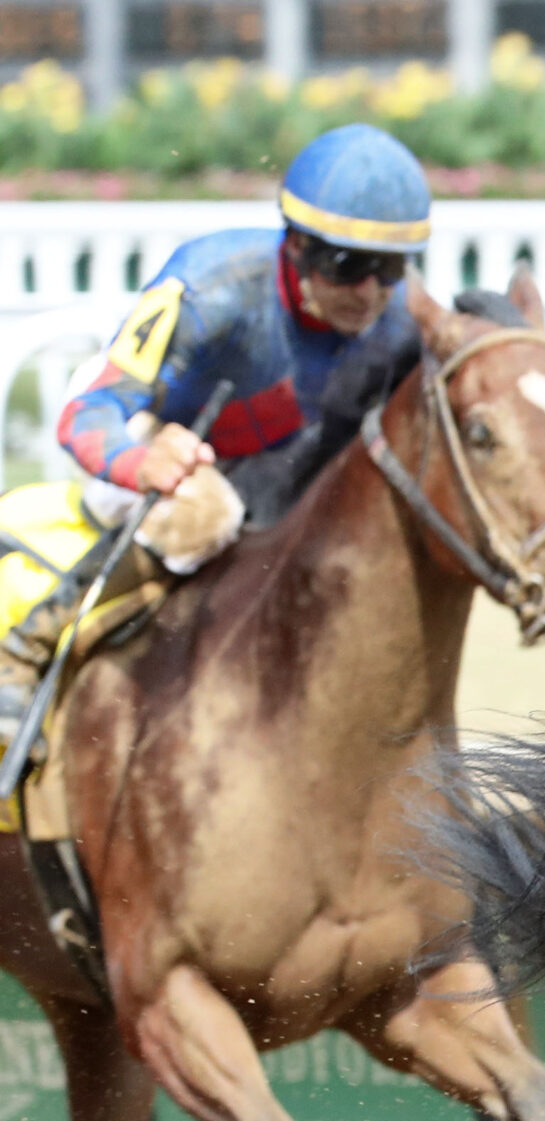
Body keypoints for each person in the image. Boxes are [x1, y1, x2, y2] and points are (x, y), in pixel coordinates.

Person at [0, 122, 430, 707]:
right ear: (297, 244)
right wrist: (141, 460)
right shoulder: (210, 288)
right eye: (348, 264)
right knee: (207, 511)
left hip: (273, 469)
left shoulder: (401, 320)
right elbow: (87, 412)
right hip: (152, 437)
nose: (371, 293)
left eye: (392, 268)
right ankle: (24, 651)